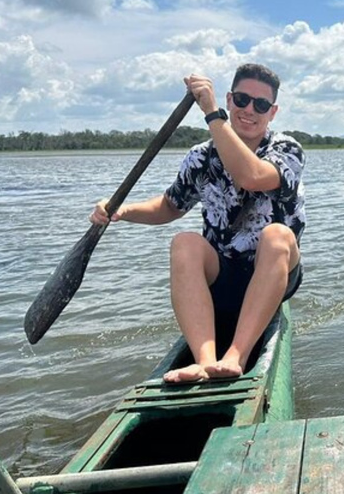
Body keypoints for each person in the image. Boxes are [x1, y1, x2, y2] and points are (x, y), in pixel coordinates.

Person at [90, 63, 305, 383]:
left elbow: (252, 176)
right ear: (231, 100)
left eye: (260, 104)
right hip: (222, 275)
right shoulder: (200, 157)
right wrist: (121, 211)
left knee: (275, 235)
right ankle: (203, 361)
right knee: (185, 241)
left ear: (272, 112)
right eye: (243, 100)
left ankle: (236, 355)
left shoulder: (286, 149)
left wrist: (211, 113)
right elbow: (170, 206)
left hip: (274, 270)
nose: (250, 110)